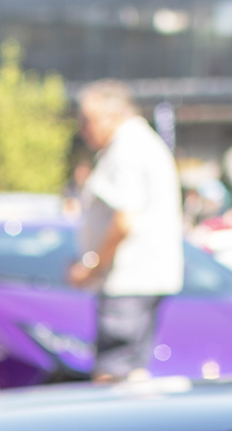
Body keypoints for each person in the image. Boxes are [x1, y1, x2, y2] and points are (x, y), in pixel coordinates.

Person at [64, 81, 183, 382]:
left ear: (113, 114)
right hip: (140, 277)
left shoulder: (127, 149)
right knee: (132, 374)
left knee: (112, 375)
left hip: (128, 280)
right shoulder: (139, 143)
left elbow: (123, 219)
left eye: (88, 120)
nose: (82, 129)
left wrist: (92, 265)